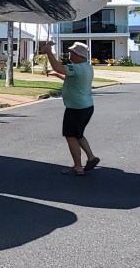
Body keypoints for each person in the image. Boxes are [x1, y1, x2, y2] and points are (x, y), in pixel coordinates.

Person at [40, 41, 100, 176]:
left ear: (77, 54)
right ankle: (91, 158)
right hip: (86, 107)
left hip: (76, 109)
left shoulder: (77, 68)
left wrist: (49, 52)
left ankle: (78, 167)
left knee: (71, 136)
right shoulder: (86, 67)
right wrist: (56, 74)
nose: (69, 54)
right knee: (78, 135)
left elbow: (59, 67)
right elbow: (68, 76)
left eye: (71, 52)